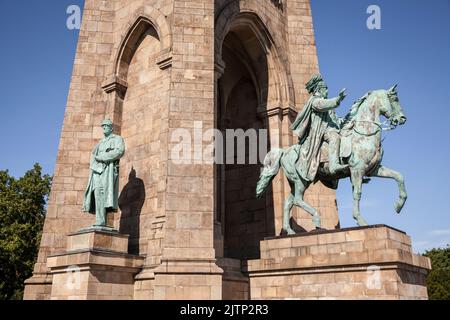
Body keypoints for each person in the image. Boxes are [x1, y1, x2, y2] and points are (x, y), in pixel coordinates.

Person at [291, 74, 348, 182]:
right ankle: (334, 165)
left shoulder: (327, 106)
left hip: (329, 129)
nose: (327, 91)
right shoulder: (315, 101)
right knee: (334, 137)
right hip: (319, 132)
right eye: (325, 89)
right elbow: (325, 104)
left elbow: (335, 120)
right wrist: (338, 99)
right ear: (319, 90)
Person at [82, 119, 125, 227]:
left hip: (108, 170)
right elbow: (93, 155)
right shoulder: (100, 143)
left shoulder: (117, 139)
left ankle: (101, 220)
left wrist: (102, 157)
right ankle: (99, 219)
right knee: (97, 193)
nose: (104, 127)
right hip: (97, 171)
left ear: (111, 128)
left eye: (106, 126)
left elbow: (119, 151)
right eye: (103, 126)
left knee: (103, 193)